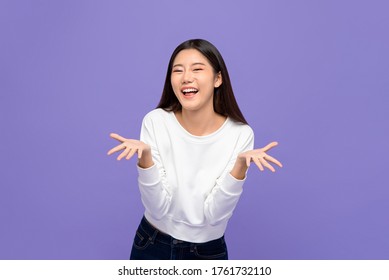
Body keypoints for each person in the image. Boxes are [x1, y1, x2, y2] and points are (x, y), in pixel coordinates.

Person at [107, 39, 282, 260]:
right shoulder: (156, 121)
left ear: (218, 78)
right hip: (152, 243)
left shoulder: (240, 134)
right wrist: (146, 161)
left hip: (208, 251)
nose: (186, 77)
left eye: (197, 69)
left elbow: (214, 216)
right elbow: (158, 209)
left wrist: (239, 168)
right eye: (178, 70)